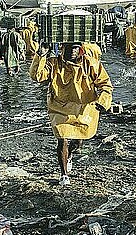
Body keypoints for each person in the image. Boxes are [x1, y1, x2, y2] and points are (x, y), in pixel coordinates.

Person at [29, 42, 113, 186]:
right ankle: (64, 175)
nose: (73, 51)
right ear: (62, 47)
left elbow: (105, 84)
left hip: (83, 108)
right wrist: (40, 54)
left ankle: (70, 155)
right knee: (62, 139)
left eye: (76, 47)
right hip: (59, 107)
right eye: (69, 47)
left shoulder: (90, 63)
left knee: (78, 142)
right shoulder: (54, 63)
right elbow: (37, 76)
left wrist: (103, 101)